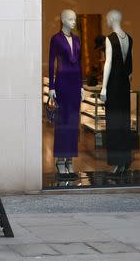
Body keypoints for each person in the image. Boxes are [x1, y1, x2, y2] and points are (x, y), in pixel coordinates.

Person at [47, 9, 84, 175]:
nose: (74, 22)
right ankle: (60, 160)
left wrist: (81, 86)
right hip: (62, 84)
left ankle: (70, 159)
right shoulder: (55, 39)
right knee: (62, 123)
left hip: (75, 84)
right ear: (63, 20)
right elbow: (50, 63)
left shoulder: (76, 39)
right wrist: (52, 87)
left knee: (73, 123)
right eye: (70, 19)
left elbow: (79, 64)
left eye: (75, 19)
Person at [99, 9, 134, 174]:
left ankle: (117, 162)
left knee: (114, 122)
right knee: (124, 122)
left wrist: (104, 87)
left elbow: (108, 62)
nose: (106, 20)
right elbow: (130, 67)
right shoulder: (129, 39)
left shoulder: (110, 39)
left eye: (107, 17)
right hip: (124, 85)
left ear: (112, 19)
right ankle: (125, 160)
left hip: (113, 84)